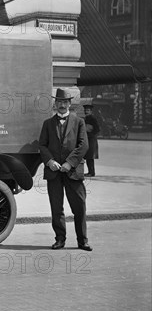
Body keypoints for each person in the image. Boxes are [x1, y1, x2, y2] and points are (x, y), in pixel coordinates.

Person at [38, 88, 92, 251]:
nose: (62, 105)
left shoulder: (79, 122)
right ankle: (60, 239)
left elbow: (84, 145)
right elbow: (42, 145)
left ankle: (82, 241)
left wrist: (69, 163)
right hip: (54, 172)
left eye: (65, 102)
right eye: (59, 102)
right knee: (56, 208)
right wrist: (50, 161)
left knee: (79, 207)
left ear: (70, 104)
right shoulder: (48, 123)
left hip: (73, 172)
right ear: (55, 104)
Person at [83, 104, 100, 176]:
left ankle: (92, 172)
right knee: (88, 157)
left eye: (88, 110)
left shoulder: (93, 119)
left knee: (90, 157)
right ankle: (90, 171)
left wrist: (91, 133)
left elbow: (97, 129)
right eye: (85, 110)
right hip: (87, 139)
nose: (86, 112)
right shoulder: (85, 118)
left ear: (91, 111)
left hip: (92, 140)